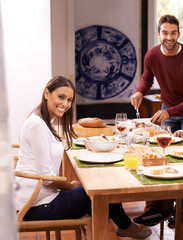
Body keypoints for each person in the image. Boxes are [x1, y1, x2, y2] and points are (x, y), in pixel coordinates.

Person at [14, 76, 152, 239]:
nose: (65, 104)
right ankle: (122, 226)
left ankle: (121, 226)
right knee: (101, 191)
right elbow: (48, 178)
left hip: (41, 197)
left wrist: (71, 184)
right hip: (35, 205)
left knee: (98, 185)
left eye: (69, 99)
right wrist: (71, 186)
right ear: (46, 93)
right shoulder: (38, 125)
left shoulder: (44, 121)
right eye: (61, 97)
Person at [130, 14, 183, 133]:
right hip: (167, 108)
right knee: (165, 146)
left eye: (173, 33)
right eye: (165, 33)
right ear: (158, 34)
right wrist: (140, 92)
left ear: (178, 34)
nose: (169, 37)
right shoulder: (151, 56)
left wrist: (170, 112)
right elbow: (147, 78)